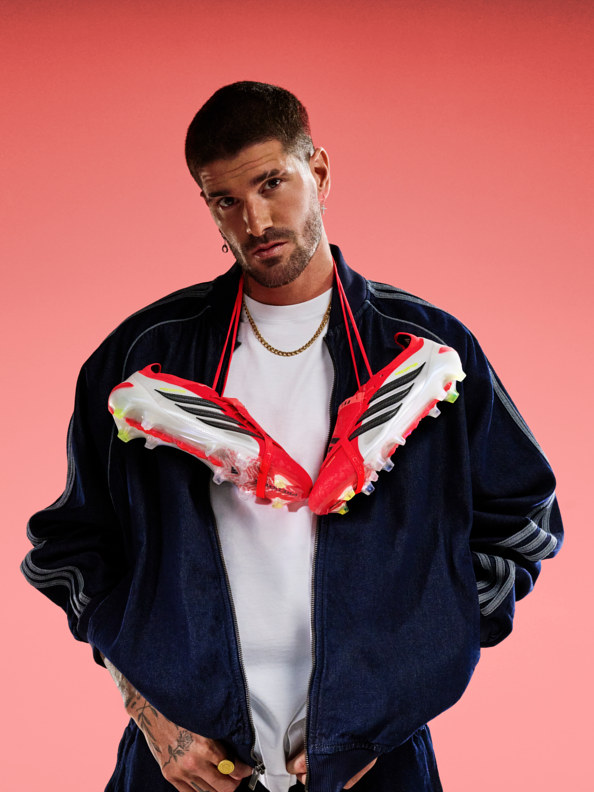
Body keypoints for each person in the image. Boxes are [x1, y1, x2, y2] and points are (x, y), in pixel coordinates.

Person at [22, 82, 563, 792]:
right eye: (225, 200)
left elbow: (522, 522)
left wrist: (404, 682)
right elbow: (75, 548)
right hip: (185, 765)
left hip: (378, 762)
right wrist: (150, 710)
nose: (254, 220)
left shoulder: (427, 347)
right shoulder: (143, 357)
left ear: (320, 172)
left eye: (272, 183)